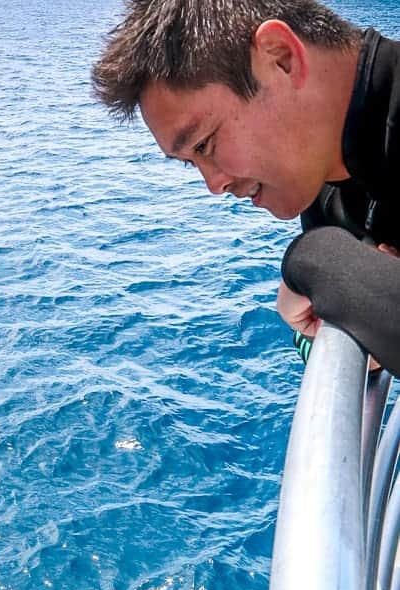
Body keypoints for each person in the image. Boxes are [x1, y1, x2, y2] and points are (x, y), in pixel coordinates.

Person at [91, 0, 400, 375]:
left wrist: (313, 261)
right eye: (192, 162)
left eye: (205, 144)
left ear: (281, 57)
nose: (214, 185)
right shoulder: (327, 181)